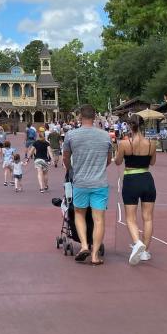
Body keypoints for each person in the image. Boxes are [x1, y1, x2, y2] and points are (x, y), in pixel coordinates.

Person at [62, 104, 112, 265]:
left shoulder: (71, 135)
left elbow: (65, 158)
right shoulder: (105, 136)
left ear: (79, 117)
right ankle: (95, 255)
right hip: (99, 183)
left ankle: (84, 246)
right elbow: (108, 160)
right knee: (99, 219)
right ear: (95, 117)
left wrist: (71, 169)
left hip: (80, 181)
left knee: (79, 214)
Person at [114, 114, 157, 265]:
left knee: (131, 217)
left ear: (130, 126)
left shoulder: (125, 144)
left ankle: (137, 242)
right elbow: (152, 162)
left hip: (131, 179)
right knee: (148, 217)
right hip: (147, 179)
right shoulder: (152, 143)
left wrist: (118, 154)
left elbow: (118, 162)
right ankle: (145, 251)